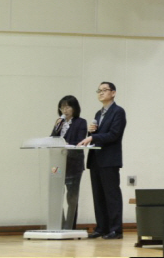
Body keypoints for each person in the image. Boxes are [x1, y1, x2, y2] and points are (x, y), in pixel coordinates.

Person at [77, 82, 127, 239]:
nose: (101, 93)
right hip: (96, 159)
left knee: (111, 195)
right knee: (98, 196)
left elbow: (114, 134)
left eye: (104, 90)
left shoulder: (118, 112)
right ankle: (102, 228)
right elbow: (99, 135)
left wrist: (93, 136)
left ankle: (115, 229)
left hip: (109, 160)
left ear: (113, 93)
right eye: (99, 90)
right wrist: (92, 131)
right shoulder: (99, 113)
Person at [50, 95, 87, 230]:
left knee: (71, 198)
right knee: (56, 194)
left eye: (67, 106)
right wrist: (57, 127)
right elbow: (51, 140)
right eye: (62, 107)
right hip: (57, 164)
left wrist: (65, 144)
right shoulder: (59, 123)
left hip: (73, 164)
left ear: (74, 108)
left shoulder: (81, 122)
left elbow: (79, 141)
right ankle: (59, 225)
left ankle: (69, 227)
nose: (64, 110)